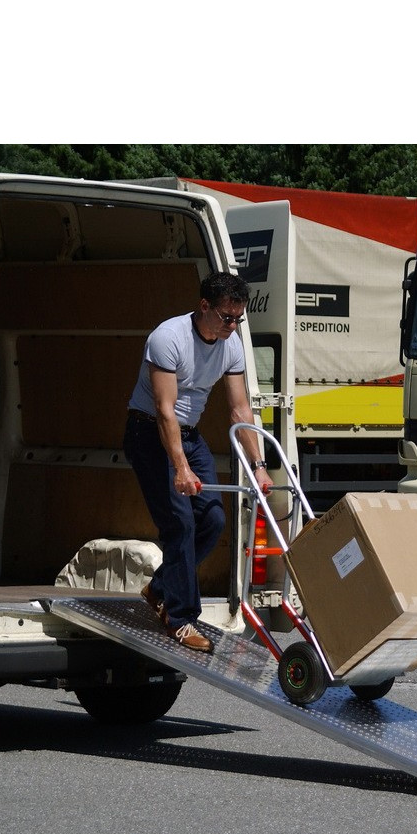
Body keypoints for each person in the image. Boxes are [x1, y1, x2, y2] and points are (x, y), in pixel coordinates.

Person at [123, 271, 271, 652]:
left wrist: (258, 466)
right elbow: (164, 410)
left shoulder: (231, 344)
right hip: (150, 433)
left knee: (213, 519)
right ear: (204, 306)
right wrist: (181, 467)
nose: (232, 326)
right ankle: (181, 618)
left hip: (188, 436)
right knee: (180, 523)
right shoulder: (168, 338)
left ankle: (159, 588)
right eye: (226, 317)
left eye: (238, 319)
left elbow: (239, 409)